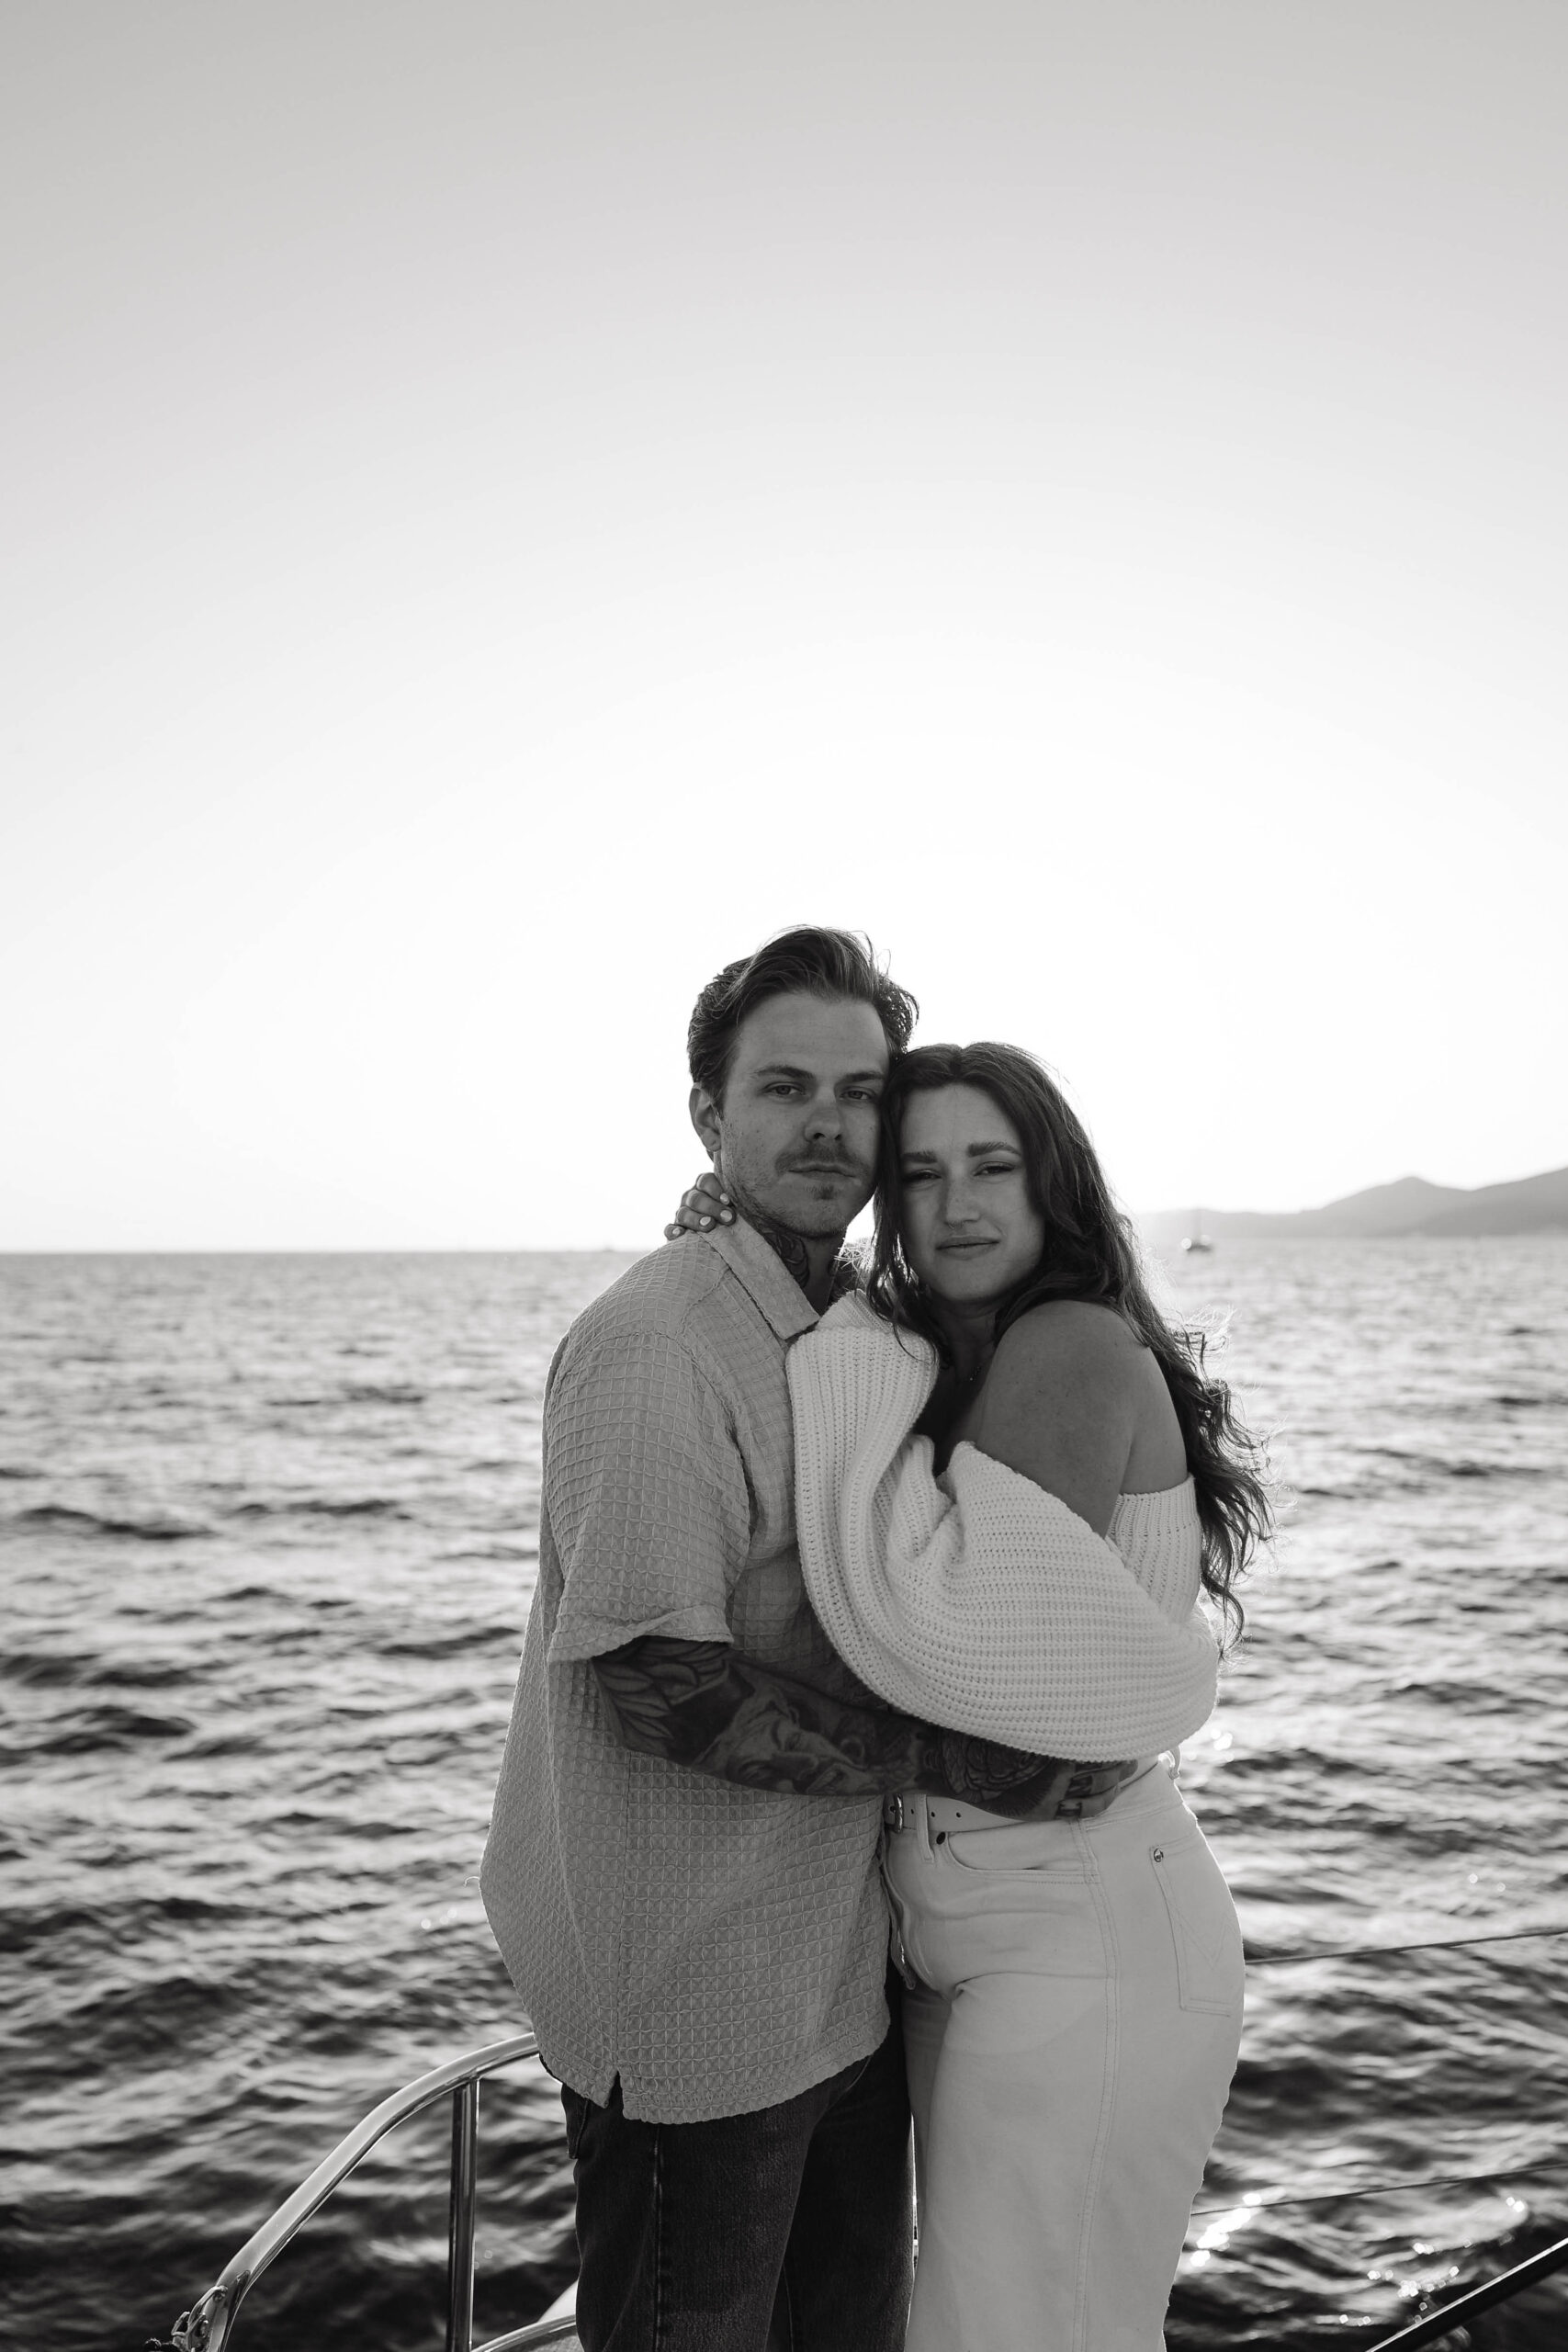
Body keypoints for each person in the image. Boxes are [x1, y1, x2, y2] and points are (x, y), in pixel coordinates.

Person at [480, 931, 1138, 2352]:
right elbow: (665, 1689)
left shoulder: (848, 1320)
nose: (831, 1122)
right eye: (784, 1087)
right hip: (695, 2005)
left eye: (861, 1090)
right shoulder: (658, 1343)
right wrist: (981, 1766)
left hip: (843, 1981)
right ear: (711, 1115)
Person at [668, 1040, 1272, 2351]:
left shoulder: (1062, 1342)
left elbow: (946, 1636)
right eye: (922, 1175)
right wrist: (788, 1266)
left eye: (991, 1166)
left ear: (1053, 1182)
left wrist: (819, 1309)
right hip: (975, 1930)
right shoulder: (953, 1350)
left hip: (1080, 1933)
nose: (955, 1206)